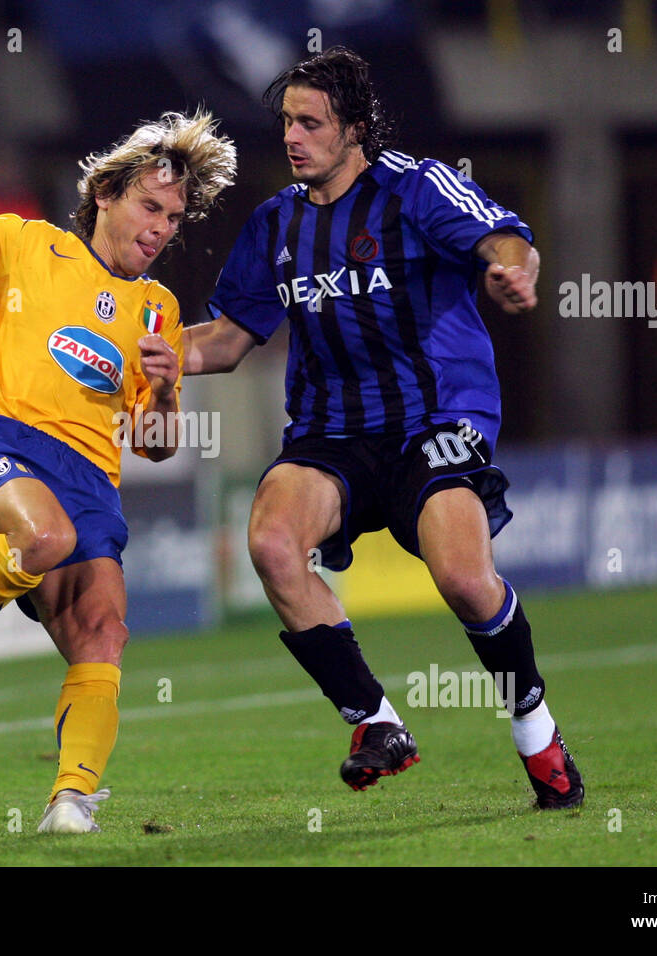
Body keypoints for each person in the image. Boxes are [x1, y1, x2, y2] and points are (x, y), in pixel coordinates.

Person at [182, 47, 583, 809]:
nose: (293, 137)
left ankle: (536, 733)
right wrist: (155, 358)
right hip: (332, 433)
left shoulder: (414, 189)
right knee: (270, 541)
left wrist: (513, 268)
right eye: (287, 122)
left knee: (465, 578)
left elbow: (503, 235)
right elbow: (230, 338)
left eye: (311, 122)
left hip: (433, 420)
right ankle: (376, 722)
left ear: (354, 130)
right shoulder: (277, 223)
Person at [0, 110, 236, 832]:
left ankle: (70, 799)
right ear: (106, 193)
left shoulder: (158, 310)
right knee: (46, 538)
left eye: (173, 217)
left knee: (104, 632)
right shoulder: (23, 243)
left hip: (92, 481)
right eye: (149, 207)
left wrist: (161, 389)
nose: (161, 227)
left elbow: (155, 444)